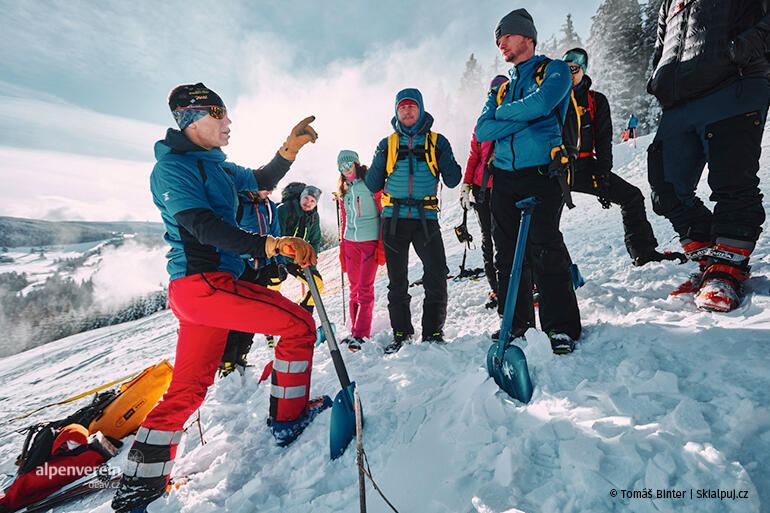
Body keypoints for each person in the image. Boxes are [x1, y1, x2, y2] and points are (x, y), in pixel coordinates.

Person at [111, 83, 326, 513]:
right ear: (193, 119)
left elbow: (263, 179)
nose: (229, 122)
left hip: (205, 291)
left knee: (188, 387)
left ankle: (140, 486)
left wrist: (290, 148)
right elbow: (203, 226)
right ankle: (288, 419)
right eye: (219, 114)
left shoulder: (221, 167)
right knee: (300, 325)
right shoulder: (173, 168)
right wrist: (270, 245)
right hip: (204, 284)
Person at [646, 1, 770, 312]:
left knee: (732, 179)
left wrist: (737, 51)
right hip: (678, 99)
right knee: (665, 187)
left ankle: (726, 269)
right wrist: (658, 77)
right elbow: (662, 44)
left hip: (733, 86)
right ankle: (708, 260)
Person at [475, 8, 581, 354]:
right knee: (507, 255)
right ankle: (517, 325)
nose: (500, 44)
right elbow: (483, 129)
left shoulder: (556, 70)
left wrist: (508, 115)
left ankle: (561, 327)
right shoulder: (503, 87)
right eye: (498, 40)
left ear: (526, 37)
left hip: (542, 173)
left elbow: (544, 103)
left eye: (505, 36)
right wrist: (527, 115)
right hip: (504, 178)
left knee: (545, 248)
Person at [562, 48, 683, 267]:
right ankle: (539, 275)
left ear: (584, 69)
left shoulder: (595, 101)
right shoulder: (553, 98)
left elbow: (603, 138)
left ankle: (643, 253)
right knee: (543, 219)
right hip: (558, 168)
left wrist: (603, 172)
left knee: (632, 197)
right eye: (564, 68)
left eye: (574, 68)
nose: (569, 74)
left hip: (585, 165)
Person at [366, 88, 461, 353]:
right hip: (394, 220)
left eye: (412, 107)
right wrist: (379, 158)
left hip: (425, 219)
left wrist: (445, 157)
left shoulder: (437, 142)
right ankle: (401, 334)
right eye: (402, 108)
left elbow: (453, 179)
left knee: (437, 273)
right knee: (397, 280)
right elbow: (373, 182)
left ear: (420, 109)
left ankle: (432, 332)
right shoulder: (387, 144)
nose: (407, 111)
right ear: (396, 112)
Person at [219, 188, 287, 377]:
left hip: (263, 266)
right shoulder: (237, 203)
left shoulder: (270, 206)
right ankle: (226, 363)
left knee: (253, 314)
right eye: (266, 186)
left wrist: (280, 263)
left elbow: (276, 233)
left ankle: (241, 356)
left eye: (272, 187)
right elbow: (228, 234)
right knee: (235, 314)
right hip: (241, 266)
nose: (269, 190)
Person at [460, 75, 509, 310]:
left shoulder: (512, 117)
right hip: (482, 189)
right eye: (495, 92)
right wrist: (466, 184)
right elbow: (474, 157)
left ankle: (519, 285)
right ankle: (496, 289)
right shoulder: (482, 124)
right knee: (488, 239)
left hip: (505, 185)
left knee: (507, 237)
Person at [336, 150, 385, 351]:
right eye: (341, 167)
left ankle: (361, 334)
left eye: (348, 164)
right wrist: (342, 249)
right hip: (350, 243)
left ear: (356, 163)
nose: (346, 169)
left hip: (369, 240)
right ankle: (353, 330)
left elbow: (383, 211)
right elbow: (345, 219)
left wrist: (381, 245)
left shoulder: (370, 184)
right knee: (354, 289)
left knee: (365, 290)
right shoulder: (344, 189)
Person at [276, 184, 324, 314]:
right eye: (306, 198)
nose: (308, 203)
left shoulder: (313, 217)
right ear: (301, 197)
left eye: (312, 201)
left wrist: (312, 265)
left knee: (317, 284)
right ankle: (269, 325)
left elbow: (315, 240)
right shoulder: (284, 209)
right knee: (273, 287)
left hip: (297, 260)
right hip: (278, 258)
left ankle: (303, 314)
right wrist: (280, 259)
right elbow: (276, 237)